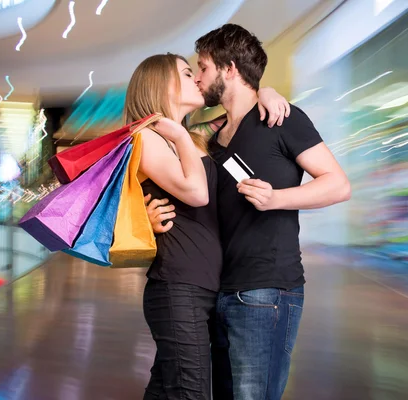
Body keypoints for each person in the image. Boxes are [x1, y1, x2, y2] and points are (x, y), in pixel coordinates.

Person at [148, 25, 351, 400]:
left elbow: (339, 184)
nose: (199, 78)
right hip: (220, 291)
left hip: (267, 289)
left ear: (229, 69)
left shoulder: (282, 118)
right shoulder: (213, 136)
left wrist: (277, 198)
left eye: (203, 68)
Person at [124, 53, 290, 400]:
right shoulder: (148, 137)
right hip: (177, 284)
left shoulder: (189, 136)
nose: (197, 79)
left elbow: (237, 113)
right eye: (187, 73)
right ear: (162, 84)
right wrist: (181, 138)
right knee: (190, 391)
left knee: (169, 388)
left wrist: (266, 93)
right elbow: (197, 194)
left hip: (204, 284)